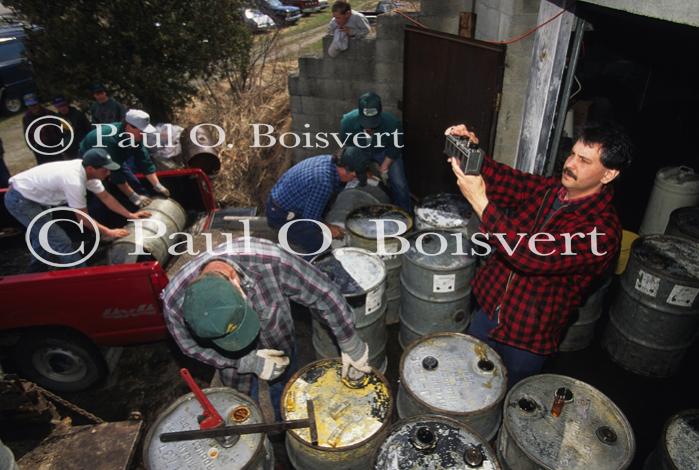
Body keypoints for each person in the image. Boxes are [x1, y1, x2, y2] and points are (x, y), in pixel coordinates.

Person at [445, 122, 632, 386]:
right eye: (572, 154)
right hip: (488, 309)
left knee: (507, 395)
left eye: (584, 161)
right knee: (469, 382)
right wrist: (472, 152)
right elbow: (509, 181)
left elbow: (531, 256)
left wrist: (480, 201)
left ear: (608, 174)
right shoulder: (551, 191)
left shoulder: (602, 232)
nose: (571, 164)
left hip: (526, 335)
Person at [161, 237, 371, 418]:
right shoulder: (174, 303)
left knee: (286, 387)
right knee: (242, 403)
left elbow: (323, 293)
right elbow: (191, 348)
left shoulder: (271, 262)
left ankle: (285, 418)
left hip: (279, 341)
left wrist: (350, 342)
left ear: (234, 279)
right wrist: (244, 361)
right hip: (232, 362)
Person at [4, 149, 150, 272]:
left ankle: (34, 273)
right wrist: (108, 232)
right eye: (105, 169)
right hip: (21, 199)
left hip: (35, 195)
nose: (108, 173)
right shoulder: (74, 181)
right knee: (60, 241)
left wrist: (131, 215)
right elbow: (82, 218)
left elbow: (106, 197)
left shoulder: (90, 174)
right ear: (91, 168)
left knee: (43, 236)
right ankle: (84, 277)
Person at [266, 146, 370, 256]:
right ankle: (310, 266)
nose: (354, 179)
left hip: (287, 201)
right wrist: (329, 228)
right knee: (322, 250)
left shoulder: (329, 161)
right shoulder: (323, 182)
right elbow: (310, 220)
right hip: (281, 215)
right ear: (346, 170)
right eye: (354, 177)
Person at [80, 108, 170, 210]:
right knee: (102, 192)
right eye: (141, 131)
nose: (143, 134)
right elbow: (116, 174)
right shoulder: (109, 139)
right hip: (94, 162)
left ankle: (148, 207)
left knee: (135, 184)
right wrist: (133, 196)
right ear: (129, 126)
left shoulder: (135, 137)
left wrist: (157, 185)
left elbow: (144, 161)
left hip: (115, 159)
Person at [341, 92, 411, 211]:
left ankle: (405, 213)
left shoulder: (392, 123)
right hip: (360, 151)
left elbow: (395, 147)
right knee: (354, 178)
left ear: (379, 113)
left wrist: (384, 166)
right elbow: (349, 148)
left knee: (399, 183)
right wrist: (362, 169)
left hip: (385, 151)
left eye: (373, 123)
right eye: (366, 123)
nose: (369, 128)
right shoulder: (347, 122)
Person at [21, 93, 62, 165]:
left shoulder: (49, 113)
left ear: (38, 103)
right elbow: (27, 134)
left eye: (34, 104)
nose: (33, 107)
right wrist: (32, 147)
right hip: (40, 150)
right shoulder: (26, 118)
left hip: (55, 147)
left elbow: (59, 129)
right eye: (30, 106)